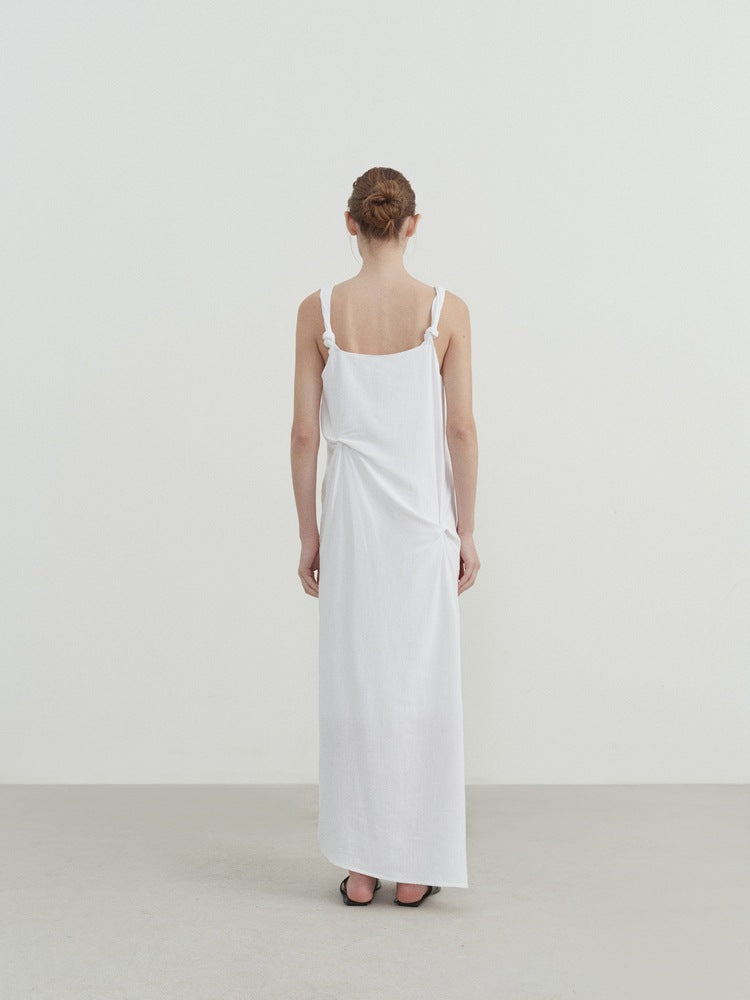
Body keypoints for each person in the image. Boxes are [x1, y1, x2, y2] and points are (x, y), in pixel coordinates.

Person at [290, 166, 479, 907]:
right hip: (423, 525)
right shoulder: (446, 311)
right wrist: (467, 529)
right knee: (421, 686)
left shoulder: (318, 312)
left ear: (351, 223)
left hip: (353, 527)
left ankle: (362, 867)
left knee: (357, 683)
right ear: (412, 224)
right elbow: (460, 430)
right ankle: (415, 867)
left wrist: (309, 534)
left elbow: (305, 434)